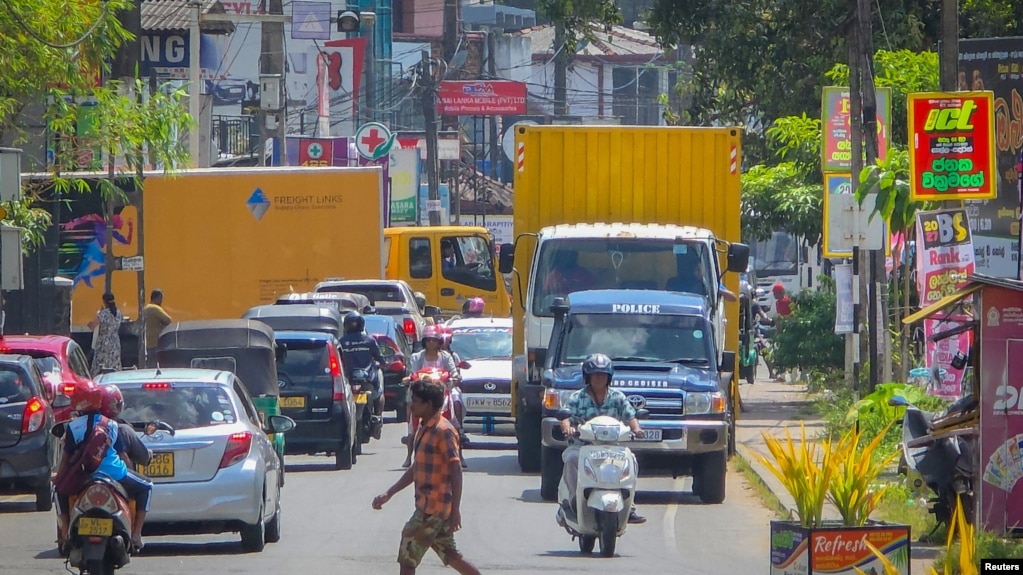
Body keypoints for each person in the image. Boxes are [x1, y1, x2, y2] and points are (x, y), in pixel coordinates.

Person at [372, 380, 482, 575]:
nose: (411, 405)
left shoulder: (444, 431)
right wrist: (389, 493)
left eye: (415, 401)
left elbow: (456, 470)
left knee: (408, 554)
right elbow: (417, 468)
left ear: (429, 404)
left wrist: (455, 509)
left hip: (433, 509)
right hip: (430, 507)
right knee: (451, 554)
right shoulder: (424, 427)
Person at [55, 383, 153, 550]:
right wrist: (128, 471)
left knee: (58, 491)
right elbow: (123, 456)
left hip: (83, 476)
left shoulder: (73, 427)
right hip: (114, 474)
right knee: (147, 486)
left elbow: (66, 458)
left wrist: (59, 477)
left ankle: (65, 529)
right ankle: (136, 534)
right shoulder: (112, 425)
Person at [560, 353, 647, 525]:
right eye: (595, 374)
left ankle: (630, 506)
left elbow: (630, 415)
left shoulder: (618, 397)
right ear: (588, 376)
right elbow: (565, 416)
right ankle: (573, 501)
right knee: (570, 459)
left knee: (632, 461)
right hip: (581, 447)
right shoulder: (577, 397)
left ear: (609, 377)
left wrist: (637, 429)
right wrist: (567, 428)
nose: (599, 378)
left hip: (612, 448)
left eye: (603, 374)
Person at [403, 326, 461, 468]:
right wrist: (410, 379)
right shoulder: (417, 357)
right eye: (428, 340)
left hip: (444, 391)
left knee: (456, 402)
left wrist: (454, 378)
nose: (431, 343)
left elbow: (453, 372)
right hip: (421, 392)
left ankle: (460, 446)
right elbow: (412, 373)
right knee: (411, 407)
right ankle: (409, 455)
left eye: (434, 340)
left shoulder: (446, 357)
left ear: (439, 341)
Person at [339, 312, 385, 440]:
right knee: (380, 394)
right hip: (368, 379)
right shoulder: (369, 340)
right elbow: (379, 357)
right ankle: (378, 417)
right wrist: (384, 363)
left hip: (349, 379)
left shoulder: (341, 342)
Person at [89, 293, 123, 374]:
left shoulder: (103, 314)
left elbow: (92, 326)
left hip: (104, 341)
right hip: (115, 341)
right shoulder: (118, 313)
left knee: (101, 362)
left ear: (104, 301)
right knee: (114, 361)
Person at [143, 289, 172, 368]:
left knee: (150, 365)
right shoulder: (154, 308)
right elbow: (168, 320)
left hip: (149, 342)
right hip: (156, 342)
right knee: (155, 366)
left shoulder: (146, 308)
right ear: (158, 297)